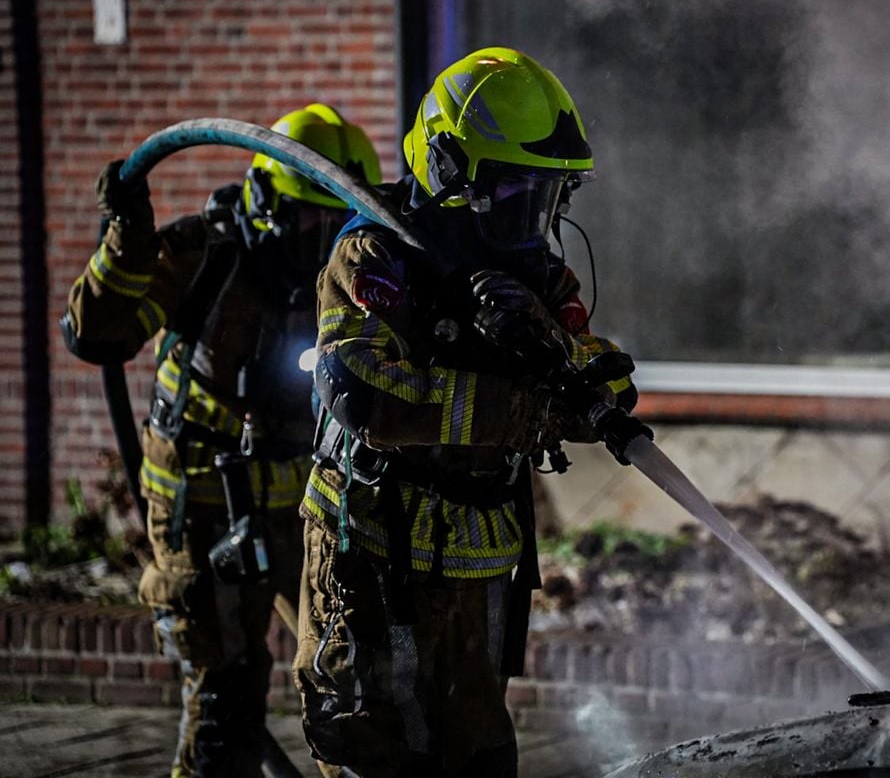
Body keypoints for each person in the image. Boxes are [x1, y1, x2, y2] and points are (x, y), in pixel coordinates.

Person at [293, 47, 645, 777]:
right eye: (516, 194)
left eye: (548, 198)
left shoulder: (532, 276)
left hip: (476, 570)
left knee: (478, 760)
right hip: (372, 559)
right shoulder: (373, 256)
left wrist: (559, 353)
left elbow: (595, 378)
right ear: (451, 173)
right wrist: (524, 412)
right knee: (377, 758)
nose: (533, 221)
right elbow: (367, 394)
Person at [61, 104, 383, 777]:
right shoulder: (203, 257)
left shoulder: (345, 281)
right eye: (306, 220)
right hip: (205, 507)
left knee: (355, 676)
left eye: (335, 222)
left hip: (305, 503)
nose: (321, 237)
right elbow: (99, 334)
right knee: (226, 703)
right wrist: (128, 236)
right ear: (266, 202)